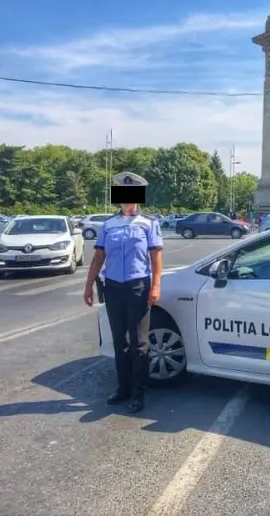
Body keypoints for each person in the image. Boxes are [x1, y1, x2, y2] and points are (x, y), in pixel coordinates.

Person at [83, 171, 163, 413]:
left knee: (139, 342)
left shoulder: (149, 223)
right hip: (114, 287)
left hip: (139, 286)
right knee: (119, 340)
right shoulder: (109, 224)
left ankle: (139, 391)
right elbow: (98, 257)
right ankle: (123, 387)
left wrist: (156, 285)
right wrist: (88, 285)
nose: (126, 198)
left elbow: (156, 258)